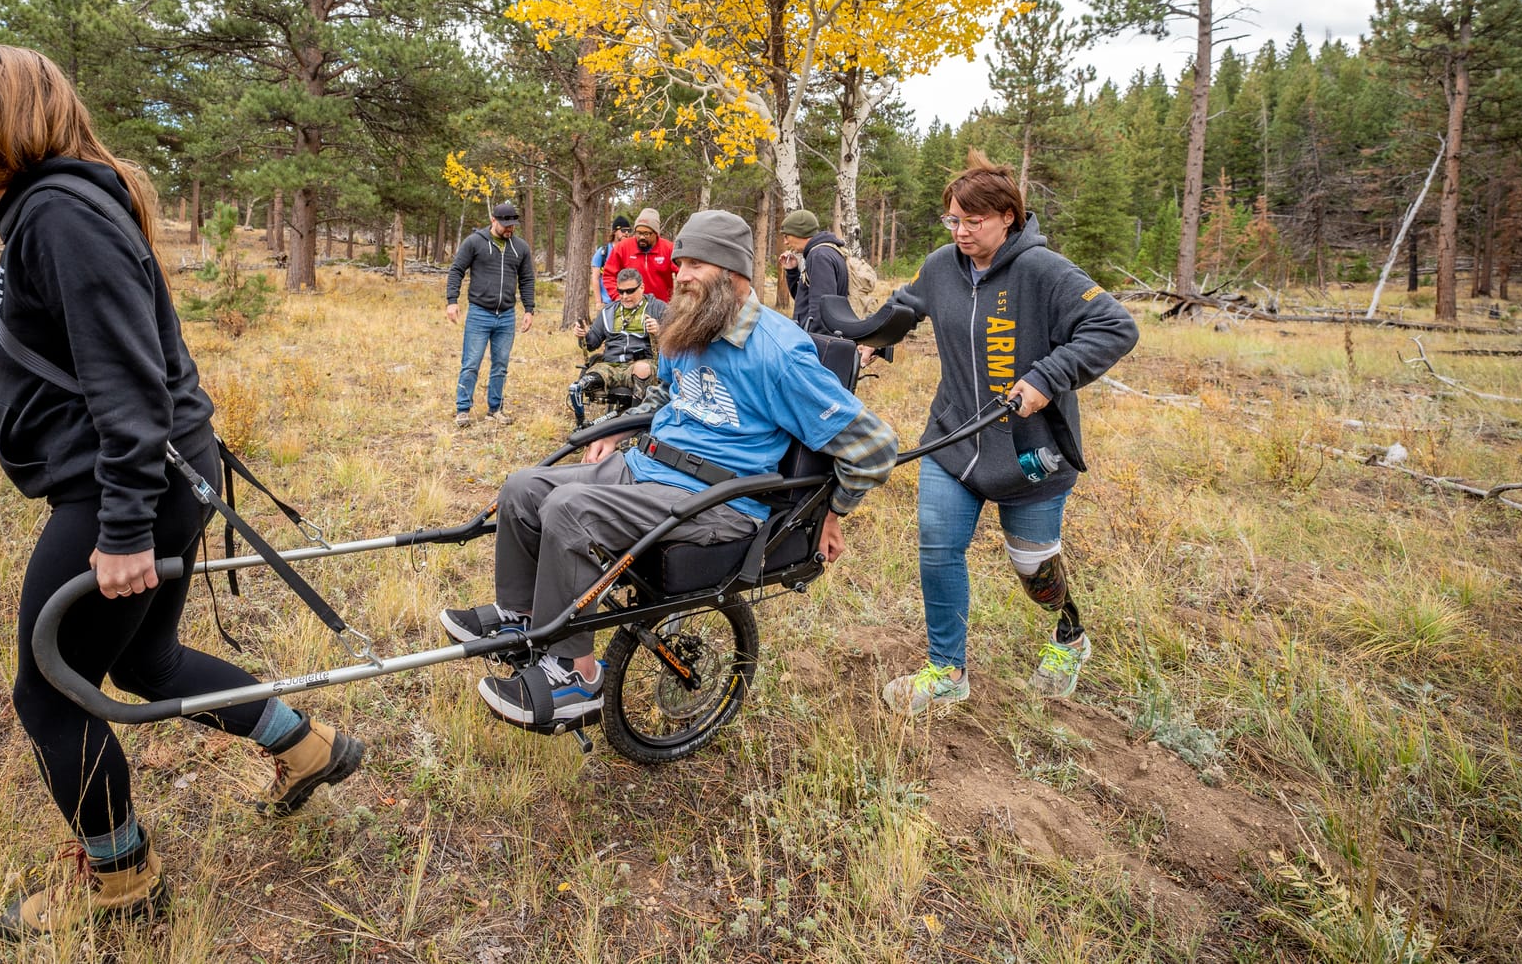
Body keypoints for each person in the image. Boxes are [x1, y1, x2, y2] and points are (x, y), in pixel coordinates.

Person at [0, 42, 363, 940]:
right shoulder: (57, 203)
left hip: (127, 491)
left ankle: (120, 878)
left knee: (49, 693)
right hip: (155, 480)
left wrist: (119, 530)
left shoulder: (57, 215)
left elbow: (129, 387)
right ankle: (304, 745)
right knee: (145, 663)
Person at [440, 211, 900, 727]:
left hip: (718, 499)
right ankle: (525, 621)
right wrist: (618, 430)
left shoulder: (777, 352)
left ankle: (576, 678)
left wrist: (832, 512)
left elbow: (875, 446)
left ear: (734, 273)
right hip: (647, 467)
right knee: (523, 488)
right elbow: (667, 393)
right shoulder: (692, 324)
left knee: (571, 510)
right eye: (680, 261)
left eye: (697, 263)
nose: (680, 274)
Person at [822, 151, 1138, 717]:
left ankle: (1069, 634)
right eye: (953, 221)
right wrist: (867, 343)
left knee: (1034, 571)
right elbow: (905, 309)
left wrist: (1047, 376)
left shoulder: (1045, 272)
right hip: (956, 438)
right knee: (938, 549)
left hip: (1028, 450)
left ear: (1009, 218)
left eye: (974, 222)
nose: (961, 233)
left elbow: (1115, 325)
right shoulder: (943, 264)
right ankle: (948, 670)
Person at [445, 200, 537, 426]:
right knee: (471, 362)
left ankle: (495, 409)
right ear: (493, 220)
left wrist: (529, 309)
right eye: (505, 224)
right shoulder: (474, 242)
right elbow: (457, 270)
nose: (509, 229)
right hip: (479, 313)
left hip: (506, 315)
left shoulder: (520, 248)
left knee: (500, 365)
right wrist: (452, 301)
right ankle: (463, 410)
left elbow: (526, 279)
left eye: (513, 225)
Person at [568, 265, 665, 424]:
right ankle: (582, 426)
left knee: (642, 369)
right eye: (621, 292)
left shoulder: (657, 308)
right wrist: (583, 335)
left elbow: (675, 342)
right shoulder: (608, 312)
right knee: (578, 386)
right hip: (610, 366)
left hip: (642, 363)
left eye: (630, 291)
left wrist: (660, 331)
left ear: (642, 287)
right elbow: (591, 343)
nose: (625, 296)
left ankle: (634, 424)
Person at [601, 207, 676, 301]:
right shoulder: (623, 248)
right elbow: (609, 275)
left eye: (646, 234)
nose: (641, 237)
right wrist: (617, 297)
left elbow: (682, 273)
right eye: (638, 232)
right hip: (630, 306)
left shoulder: (669, 249)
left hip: (661, 307)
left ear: (656, 233)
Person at [590, 215, 630, 279]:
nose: (627, 233)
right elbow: (595, 277)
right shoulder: (603, 252)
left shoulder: (631, 252)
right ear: (614, 231)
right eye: (623, 230)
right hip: (605, 288)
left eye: (629, 230)